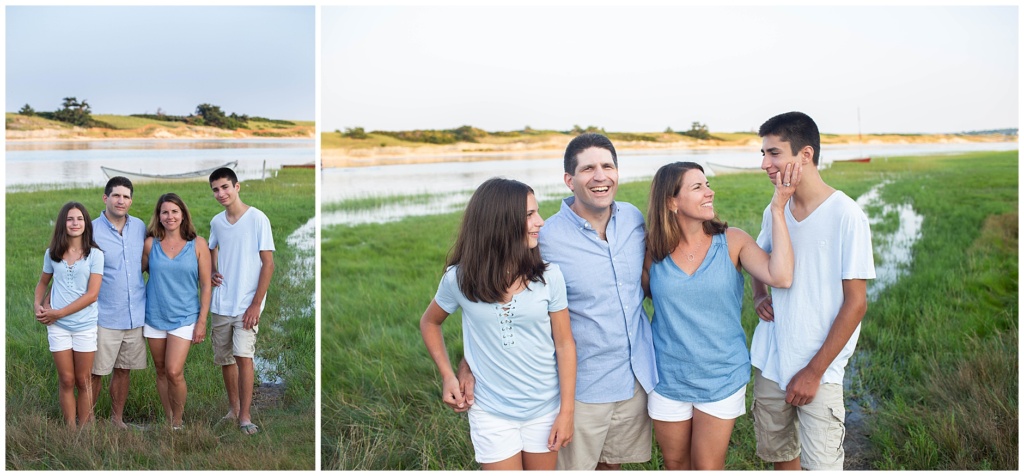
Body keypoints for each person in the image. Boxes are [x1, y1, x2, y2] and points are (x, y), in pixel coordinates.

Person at [454, 133, 659, 470]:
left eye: (608, 166)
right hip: (580, 387)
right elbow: (497, 303)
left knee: (614, 467)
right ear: (569, 180)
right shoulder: (543, 238)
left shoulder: (634, 220)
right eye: (588, 168)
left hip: (634, 378)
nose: (600, 176)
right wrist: (468, 363)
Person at [642, 161, 799, 469]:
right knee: (675, 463)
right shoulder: (652, 248)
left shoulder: (732, 241)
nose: (709, 192)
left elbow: (780, 276)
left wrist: (778, 209)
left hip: (721, 375)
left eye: (708, 184)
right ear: (671, 201)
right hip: (666, 377)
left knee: (707, 466)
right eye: (697, 187)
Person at [419, 178, 576, 470]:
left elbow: (565, 344)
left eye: (537, 212)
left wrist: (566, 411)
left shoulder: (550, 277)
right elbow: (430, 322)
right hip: (491, 412)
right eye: (529, 215)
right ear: (500, 221)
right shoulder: (459, 278)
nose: (540, 222)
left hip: (544, 409)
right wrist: (449, 375)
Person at [750, 111, 875, 471]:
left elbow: (856, 303)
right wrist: (759, 295)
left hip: (820, 370)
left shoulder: (846, 214)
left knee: (822, 466)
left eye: (773, 153)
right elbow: (757, 257)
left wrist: (814, 372)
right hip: (772, 361)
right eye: (763, 154)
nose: (764, 164)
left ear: (805, 155)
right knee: (782, 459)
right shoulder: (775, 210)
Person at [208, 167, 275, 435]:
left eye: (225, 187)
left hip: (247, 302)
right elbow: (211, 247)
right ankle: (233, 408)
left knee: (243, 356)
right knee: (225, 359)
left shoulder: (257, 218)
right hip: (222, 301)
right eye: (215, 189)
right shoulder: (216, 222)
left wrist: (256, 304)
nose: (220, 193)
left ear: (237, 187)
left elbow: (268, 264)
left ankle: (245, 417)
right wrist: (213, 270)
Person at [142, 193, 212, 430]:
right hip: (154, 315)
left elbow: (206, 285)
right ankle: (169, 418)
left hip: (184, 316)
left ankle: (178, 422)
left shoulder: (198, 244)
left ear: (183, 215)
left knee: (174, 371)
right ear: (159, 217)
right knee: (161, 371)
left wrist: (202, 321)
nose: (169, 216)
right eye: (165, 212)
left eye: (174, 211)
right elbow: (132, 274)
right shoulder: (151, 244)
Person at [33, 202, 104, 429]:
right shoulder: (52, 254)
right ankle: (70, 430)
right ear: (63, 223)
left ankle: (84, 429)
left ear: (86, 223)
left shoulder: (95, 254)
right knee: (66, 379)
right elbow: (43, 283)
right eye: (70, 219)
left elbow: (92, 295)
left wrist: (59, 312)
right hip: (57, 327)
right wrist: (38, 305)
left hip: (84, 325)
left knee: (83, 381)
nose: (75, 223)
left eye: (80, 219)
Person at [89, 176, 148, 430]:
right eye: (116, 195)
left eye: (125, 196)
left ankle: (117, 420)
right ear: (105, 198)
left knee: (124, 370)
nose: (121, 200)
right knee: (96, 372)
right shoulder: (90, 230)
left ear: (131, 201)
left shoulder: (140, 227)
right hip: (104, 315)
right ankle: (87, 422)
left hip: (136, 314)